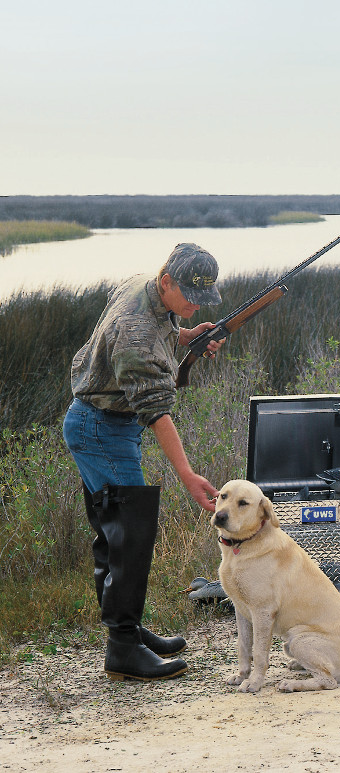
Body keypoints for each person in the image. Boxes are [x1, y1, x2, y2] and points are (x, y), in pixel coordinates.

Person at [63, 242, 226, 682]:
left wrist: (186, 337)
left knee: (113, 534)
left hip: (101, 424)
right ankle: (122, 650)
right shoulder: (136, 330)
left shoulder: (145, 288)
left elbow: (162, 326)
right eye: (189, 297)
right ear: (167, 280)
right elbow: (156, 411)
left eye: (202, 300)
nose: (194, 305)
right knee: (131, 534)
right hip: (101, 430)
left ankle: (128, 632)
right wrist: (189, 476)